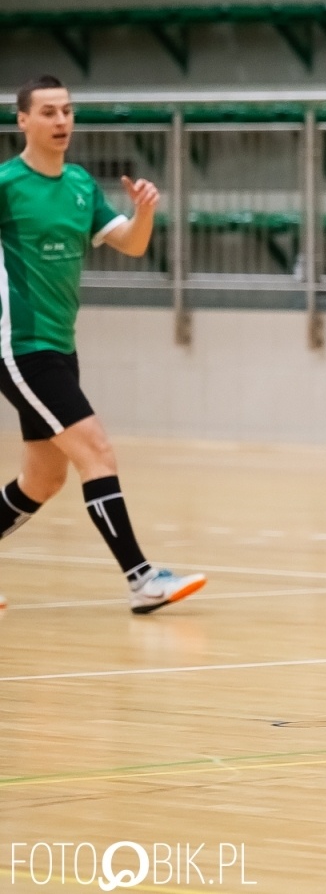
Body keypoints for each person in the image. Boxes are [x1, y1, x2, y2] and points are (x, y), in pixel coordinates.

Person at [0, 76, 205, 613]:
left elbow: (132, 245)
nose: (61, 121)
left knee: (43, 479)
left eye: (67, 111)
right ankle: (141, 578)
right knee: (97, 450)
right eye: (48, 112)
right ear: (22, 121)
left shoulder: (80, 186)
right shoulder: (5, 185)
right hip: (21, 347)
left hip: (61, 347)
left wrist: (144, 213)